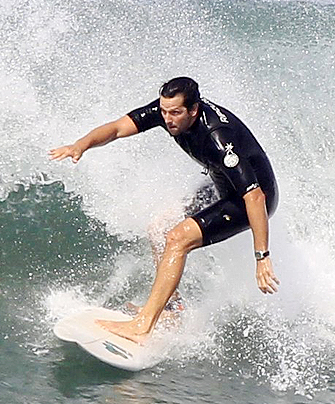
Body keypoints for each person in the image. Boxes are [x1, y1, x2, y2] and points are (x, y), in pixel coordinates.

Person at [49, 77, 279, 343]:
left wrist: (262, 256)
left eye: (175, 113)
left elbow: (255, 196)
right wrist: (82, 144)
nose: (168, 119)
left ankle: (142, 326)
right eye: (164, 111)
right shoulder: (168, 112)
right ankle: (172, 309)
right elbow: (116, 129)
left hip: (251, 199)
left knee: (177, 239)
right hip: (220, 183)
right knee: (159, 229)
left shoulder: (218, 137)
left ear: (193, 110)